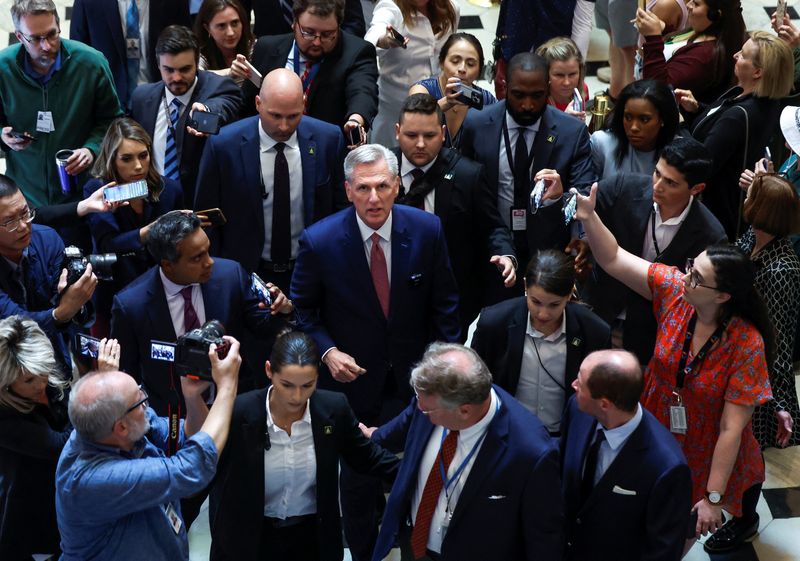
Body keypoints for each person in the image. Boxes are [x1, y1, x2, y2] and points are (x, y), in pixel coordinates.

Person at [573, 183, 774, 552]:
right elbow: (614, 257)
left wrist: (713, 497)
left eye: (696, 277)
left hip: (705, 450)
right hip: (656, 425)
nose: (686, 278)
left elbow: (732, 427)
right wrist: (588, 216)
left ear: (722, 296)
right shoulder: (675, 292)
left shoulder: (745, 343)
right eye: (688, 268)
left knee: (674, 532)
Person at [290, 144, 460, 561]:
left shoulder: (427, 230)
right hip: (352, 386)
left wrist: (438, 369)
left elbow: (446, 308)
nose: (374, 198)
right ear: (348, 190)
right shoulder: (320, 240)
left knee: (420, 474)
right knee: (358, 484)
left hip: (415, 382)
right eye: (363, 188)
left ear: (398, 185)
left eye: (383, 185)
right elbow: (303, 311)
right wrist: (327, 352)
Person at [208, 330, 400, 561]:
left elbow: (369, 457)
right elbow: (205, 468)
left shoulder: (333, 409)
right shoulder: (239, 411)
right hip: (248, 540)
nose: (297, 397)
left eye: (307, 385)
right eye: (287, 385)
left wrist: (416, 476)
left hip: (311, 540)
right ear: (269, 371)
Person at [110, 211, 292, 446]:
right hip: (172, 422)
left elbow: (263, 329)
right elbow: (128, 374)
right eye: (197, 258)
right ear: (168, 265)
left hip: (233, 408)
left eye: (208, 250)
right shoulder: (131, 305)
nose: (210, 262)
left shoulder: (230, 276)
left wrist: (283, 310)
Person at [369, 342, 564, 561]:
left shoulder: (531, 454)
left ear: (464, 411)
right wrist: (372, 437)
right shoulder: (433, 397)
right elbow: (409, 419)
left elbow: (543, 536)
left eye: (427, 410)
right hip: (414, 542)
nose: (420, 410)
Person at [56, 336, 243, 561]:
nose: (146, 402)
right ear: (121, 427)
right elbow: (192, 467)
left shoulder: (105, 425)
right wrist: (227, 387)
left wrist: (192, 395)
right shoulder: (91, 480)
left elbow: (188, 437)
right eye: (139, 400)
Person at [459, 52, 595, 300]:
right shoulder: (476, 124)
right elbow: (465, 187)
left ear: (548, 89)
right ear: (504, 87)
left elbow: (583, 194)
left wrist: (561, 200)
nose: (528, 105)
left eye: (537, 96)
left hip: (549, 250)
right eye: (519, 95)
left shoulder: (571, 132)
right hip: (491, 248)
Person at [194, 68, 347, 287]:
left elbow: (341, 210)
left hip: (311, 272)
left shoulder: (328, 140)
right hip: (245, 274)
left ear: (304, 104)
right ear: (258, 104)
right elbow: (206, 218)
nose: (283, 126)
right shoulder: (223, 146)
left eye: (293, 116)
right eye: (275, 116)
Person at [581, 137, 727, 365]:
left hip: (651, 332)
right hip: (600, 310)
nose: (657, 186)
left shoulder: (711, 235)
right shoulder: (623, 188)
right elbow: (584, 205)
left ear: (696, 189)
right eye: (657, 173)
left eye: (671, 183)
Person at [392, 93, 516, 335]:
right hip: (392, 293)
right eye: (411, 135)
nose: (420, 144)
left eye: (429, 136)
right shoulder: (381, 170)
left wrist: (505, 254)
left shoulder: (468, 175)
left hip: (451, 298)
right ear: (397, 132)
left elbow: (493, 227)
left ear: (443, 132)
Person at [0, 0, 123, 242]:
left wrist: (92, 148)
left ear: (59, 25)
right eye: (36, 38)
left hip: (80, 197)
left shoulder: (91, 62)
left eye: (52, 34)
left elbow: (113, 120)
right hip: (27, 199)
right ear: (19, 37)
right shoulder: (3, 68)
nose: (47, 46)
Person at [0, 316, 118, 560]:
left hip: (68, 495)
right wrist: (100, 387)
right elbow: (62, 445)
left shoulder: (49, 379)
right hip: (33, 510)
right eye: (29, 380)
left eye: (43, 371)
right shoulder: (4, 417)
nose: (40, 383)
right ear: (5, 383)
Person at [560, 349, 692, 561]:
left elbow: (663, 550)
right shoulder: (577, 410)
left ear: (604, 403)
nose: (574, 384)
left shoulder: (667, 467)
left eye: (580, 383)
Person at [471, 249, 611, 435]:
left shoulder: (594, 333)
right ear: (525, 287)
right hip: (507, 433)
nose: (543, 314)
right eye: (536, 302)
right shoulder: (494, 323)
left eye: (554, 305)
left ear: (570, 294)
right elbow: (475, 384)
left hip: (564, 437)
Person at [677, 31, 794, 239]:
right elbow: (725, 133)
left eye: (743, 54)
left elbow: (701, 162)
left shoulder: (738, 117)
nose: (735, 55)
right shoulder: (766, 101)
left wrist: (680, 124)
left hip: (714, 213)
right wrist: (697, 109)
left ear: (757, 72)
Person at [84, 117, 185, 336]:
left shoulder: (170, 189)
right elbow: (107, 244)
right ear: (112, 159)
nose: (138, 166)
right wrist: (151, 231)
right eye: (127, 159)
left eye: (143, 156)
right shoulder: (98, 191)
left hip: (162, 290)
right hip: (114, 291)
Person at [233, 0, 378, 144]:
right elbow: (246, 106)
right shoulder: (266, 48)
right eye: (308, 32)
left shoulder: (357, 52)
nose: (317, 42)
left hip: (324, 149)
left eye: (327, 34)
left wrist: (355, 120)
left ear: (338, 27)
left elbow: (362, 91)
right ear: (294, 23)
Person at [130, 25, 242, 203]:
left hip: (201, 204)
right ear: (158, 65)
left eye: (184, 69)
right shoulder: (141, 98)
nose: (176, 78)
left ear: (197, 64)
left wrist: (207, 112)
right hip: (154, 205)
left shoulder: (220, 87)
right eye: (169, 70)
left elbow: (222, 105)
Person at [0, 175, 97, 370]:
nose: (23, 226)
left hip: (54, 361)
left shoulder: (47, 239)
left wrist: (76, 298)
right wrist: (61, 312)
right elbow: (16, 327)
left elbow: (72, 308)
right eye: (10, 222)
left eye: (25, 213)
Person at [364, 0, 459, 147]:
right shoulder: (390, 7)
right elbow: (374, 35)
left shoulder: (451, 9)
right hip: (395, 108)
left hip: (436, 103)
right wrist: (384, 40)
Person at [70, 0, 191, 108]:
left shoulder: (174, 2)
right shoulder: (87, 3)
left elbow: (188, 46)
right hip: (109, 104)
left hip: (161, 102)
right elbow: (79, 60)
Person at [637, 0, 746, 104]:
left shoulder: (703, 55)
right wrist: (664, 28)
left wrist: (653, 37)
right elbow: (681, 46)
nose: (689, 5)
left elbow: (659, 90)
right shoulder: (706, 32)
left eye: (696, 3)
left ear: (715, 15)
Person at [409, 32, 497, 150]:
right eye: (455, 61)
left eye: (470, 64)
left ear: (479, 70)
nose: (462, 69)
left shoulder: (486, 100)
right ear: (441, 62)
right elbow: (413, 123)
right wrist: (446, 102)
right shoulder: (422, 90)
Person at [590, 79, 679, 180]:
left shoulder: (678, 152)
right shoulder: (602, 143)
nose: (634, 127)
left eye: (644, 119)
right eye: (628, 118)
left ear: (663, 119)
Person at [240, 0, 365, 38]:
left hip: (327, 59)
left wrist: (330, 42)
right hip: (273, 58)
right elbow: (238, 14)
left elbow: (354, 23)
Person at [194, 0, 254, 77]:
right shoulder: (201, 53)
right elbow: (195, 75)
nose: (230, 33)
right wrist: (229, 72)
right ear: (207, 28)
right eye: (221, 26)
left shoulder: (255, 47)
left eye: (235, 23)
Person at [535, 36, 589, 121]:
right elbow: (542, 135)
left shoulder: (583, 90)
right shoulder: (537, 101)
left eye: (572, 74)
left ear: (580, 71)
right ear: (545, 74)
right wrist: (563, 121)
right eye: (559, 75)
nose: (566, 82)